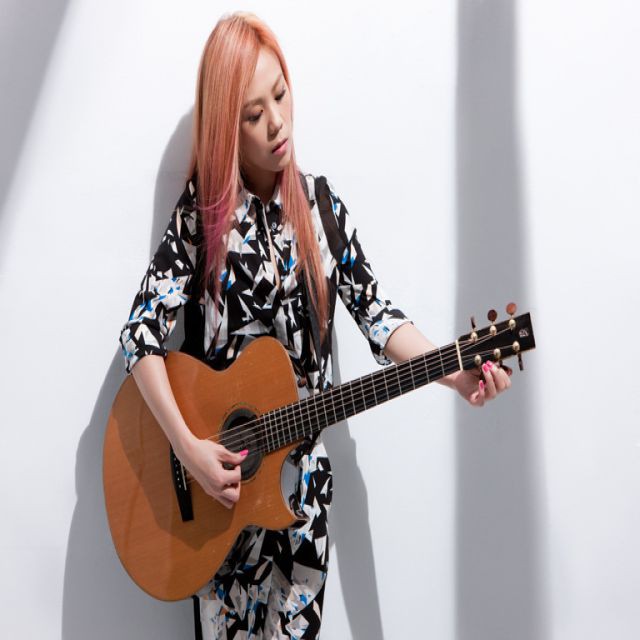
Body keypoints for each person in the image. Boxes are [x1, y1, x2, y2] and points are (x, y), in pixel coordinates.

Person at [119, 11, 511, 639]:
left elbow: (377, 314)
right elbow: (139, 336)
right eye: (253, 113)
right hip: (221, 512)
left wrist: (456, 371)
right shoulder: (201, 221)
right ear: (225, 126)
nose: (277, 122)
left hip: (300, 508)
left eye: (281, 95)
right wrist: (189, 449)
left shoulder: (321, 208)